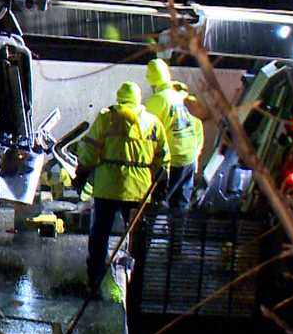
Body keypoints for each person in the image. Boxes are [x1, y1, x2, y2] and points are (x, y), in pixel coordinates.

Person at [76, 81, 170, 295]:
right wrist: (160, 183)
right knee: (138, 235)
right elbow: (163, 157)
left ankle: (95, 277)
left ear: (119, 97)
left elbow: (89, 151)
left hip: (108, 188)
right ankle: (139, 280)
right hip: (139, 190)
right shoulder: (154, 123)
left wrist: (82, 171)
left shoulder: (107, 118)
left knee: (100, 233)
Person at [144, 58, 204, 210]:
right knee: (181, 206)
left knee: (159, 204)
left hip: (173, 158)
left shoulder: (157, 100)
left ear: (151, 80)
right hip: (189, 155)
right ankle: (178, 233)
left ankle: (156, 233)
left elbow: (146, 132)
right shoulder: (177, 96)